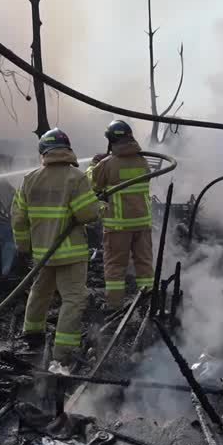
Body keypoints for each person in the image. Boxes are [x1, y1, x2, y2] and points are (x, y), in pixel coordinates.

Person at [11, 128, 101, 371]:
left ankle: (32, 334)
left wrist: (23, 247)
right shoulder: (76, 178)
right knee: (73, 299)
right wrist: (98, 205)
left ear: (44, 152)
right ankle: (63, 353)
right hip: (70, 254)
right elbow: (87, 215)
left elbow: (18, 219)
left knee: (40, 291)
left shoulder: (30, 179)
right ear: (67, 149)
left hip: (43, 254)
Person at [90, 120, 153, 308]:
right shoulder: (143, 161)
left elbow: (92, 185)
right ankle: (146, 305)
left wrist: (94, 164)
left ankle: (114, 307)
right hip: (142, 224)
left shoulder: (107, 164)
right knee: (144, 265)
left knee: (116, 268)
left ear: (111, 140)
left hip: (118, 226)